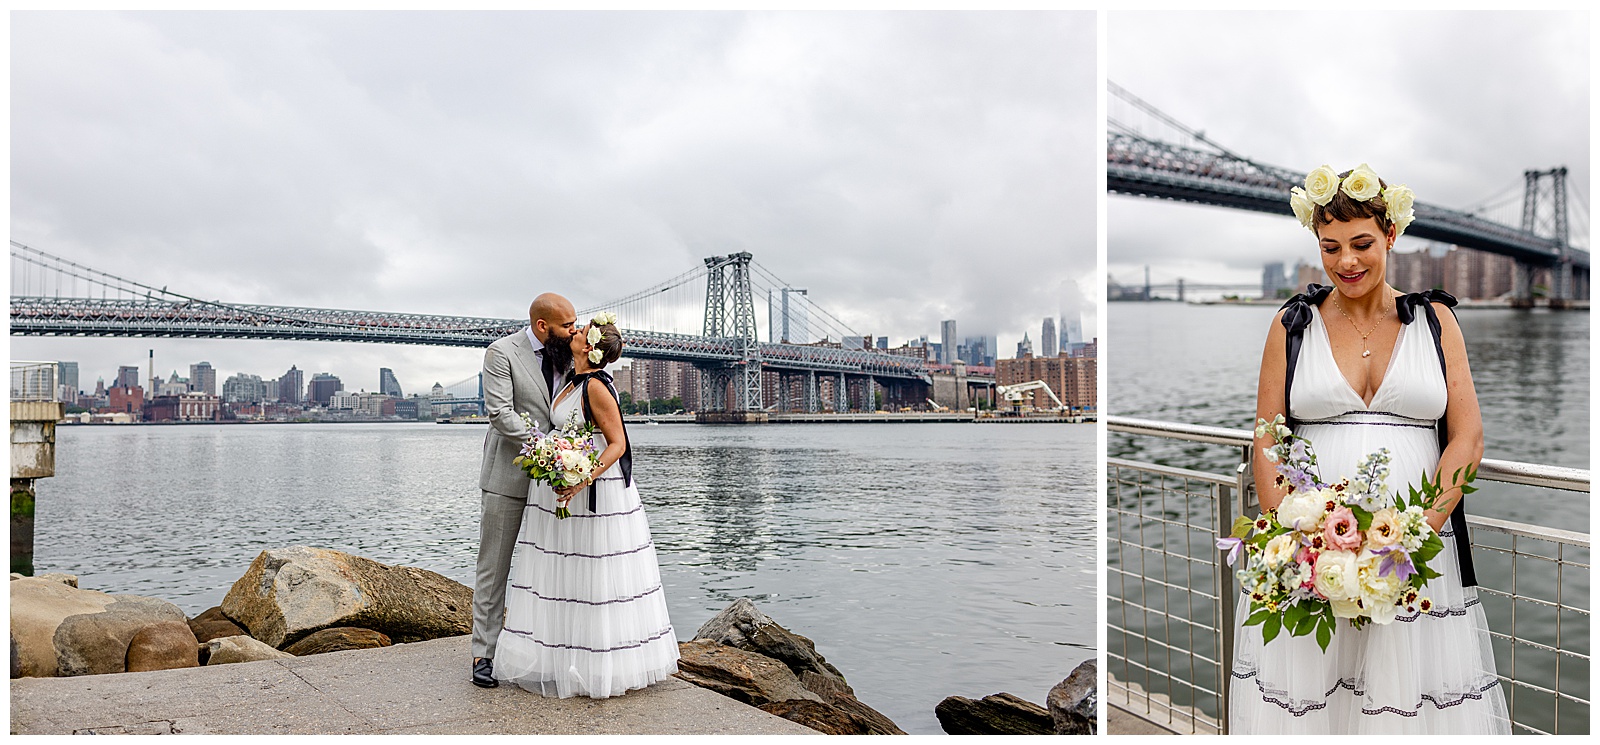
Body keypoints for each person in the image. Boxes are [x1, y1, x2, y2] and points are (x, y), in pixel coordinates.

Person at [1228, 164, 1510, 733]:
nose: (1346, 262)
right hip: (1314, 554)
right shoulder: (1292, 324)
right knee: (1315, 694)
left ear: (1391, 237)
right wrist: (1299, 534)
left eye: (1361, 244)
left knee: (1407, 696)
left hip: (1413, 555)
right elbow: (1266, 437)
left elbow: (1468, 437)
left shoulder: (1436, 320)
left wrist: (1416, 534)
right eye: (1330, 248)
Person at [492, 314, 679, 697]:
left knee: (594, 576)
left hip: (594, 491)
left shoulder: (596, 386)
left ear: (590, 348)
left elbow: (618, 444)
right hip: (562, 487)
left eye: (579, 330)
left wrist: (582, 478)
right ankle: (564, 656)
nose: (573, 332)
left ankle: (598, 666)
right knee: (566, 572)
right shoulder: (569, 379)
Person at [471, 293, 578, 688]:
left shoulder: (570, 351)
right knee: (493, 568)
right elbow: (500, 413)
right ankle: (483, 654)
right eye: (568, 325)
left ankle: (553, 652)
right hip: (508, 476)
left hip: (558, 481)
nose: (575, 330)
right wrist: (548, 447)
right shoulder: (501, 353)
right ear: (541, 326)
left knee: (556, 567)